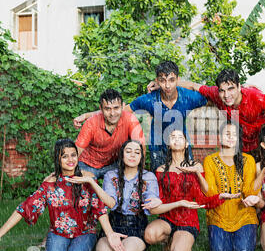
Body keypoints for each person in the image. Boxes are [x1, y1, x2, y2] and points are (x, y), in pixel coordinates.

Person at [0, 139, 116, 251]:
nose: (70, 160)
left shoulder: (88, 179)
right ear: (58, 159)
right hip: (59, 232)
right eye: (64, 156)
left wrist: (110, 235)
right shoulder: (50, 184)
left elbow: (100, 210)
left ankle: (81, 247)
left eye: (73, 155)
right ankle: (53, 243)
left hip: (85, 231)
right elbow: (25, 208)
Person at [157, 68, 265, 163]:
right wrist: (166, 85)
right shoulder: (217, 94)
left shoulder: (257, 98)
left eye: (230, 89)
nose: (226, 95)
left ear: (239, 87)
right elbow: (193, 86)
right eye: (222, 90)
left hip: (262, 145)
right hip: (240, 146)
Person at [74, 61, 208, 171]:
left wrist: (189, 84)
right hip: (158, 147)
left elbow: (212, 95)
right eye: (162, 81)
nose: (167, 85)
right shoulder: (149, 99)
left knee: (187, 179)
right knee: (161, 183)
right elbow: (118, 111)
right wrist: (87, 115)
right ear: (157, 81)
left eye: (172, 80)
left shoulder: (189, 97)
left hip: (182, 144)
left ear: (178, 80)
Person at [143, 130, 239, 251]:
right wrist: (179, 203)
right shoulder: (161, 170)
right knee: (149, 235)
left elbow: (203, 196)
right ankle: (169, 238)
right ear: (168, 144)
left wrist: (217, 195)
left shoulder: (196, 166)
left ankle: (179, 239)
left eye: (180, 137)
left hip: (188, 219)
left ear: (186, 143)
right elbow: (159, 202)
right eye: (173, 137)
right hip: (167, 217)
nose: (176, 140)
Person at [71, 140, 162, 251]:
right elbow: (111, 203)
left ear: (141, 157)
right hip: (114, 223)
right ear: (122, 155)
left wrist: (156, 200)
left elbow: (152, 199)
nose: (132, 155)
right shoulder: (111, 175)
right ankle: (113, 243)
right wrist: (92, 182)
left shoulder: (148, 176)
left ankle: (138, 247)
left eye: (137, 152)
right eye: (128, 151)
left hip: (136, 224)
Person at [203, 122, 263, 251]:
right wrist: (221, 196)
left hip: (243, 214)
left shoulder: (248, 160)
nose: (231, 137)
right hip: (219, 214)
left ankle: (247, 231)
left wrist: (251, 196)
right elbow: (211, 192)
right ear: (219, 137)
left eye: (235, 135)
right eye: (227, 134)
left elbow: (248, 191)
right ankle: (225, 234)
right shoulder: (210, 160)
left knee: (244, 250)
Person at [74, 88, 145, 179]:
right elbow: (77, 151)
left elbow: (141, 147)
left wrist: (140, 174)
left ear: (123, 106)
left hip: (113, 164)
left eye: (116, 108)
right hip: (87, 164)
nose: (112, 113)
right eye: (107, 109)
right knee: (84, 189)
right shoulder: (91, 123)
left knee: (126, 182)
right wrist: (65, 172)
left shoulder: (130, 119)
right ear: (101, 109)